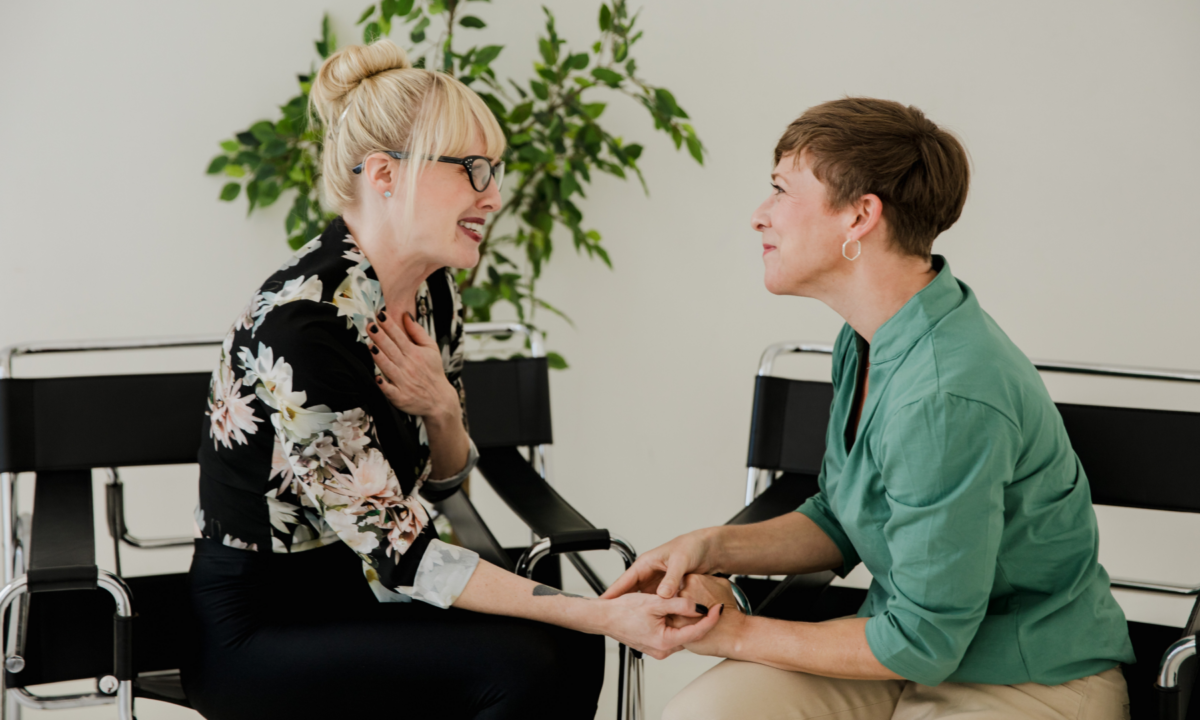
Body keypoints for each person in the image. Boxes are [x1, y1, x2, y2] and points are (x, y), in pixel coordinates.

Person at [183, 39, 720, 720]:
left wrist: (440, 410)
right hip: (258, 628)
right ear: (383, 174)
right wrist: (599, 612)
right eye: (472, 168)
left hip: (358, 595)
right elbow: (403, 551)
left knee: (571, 645)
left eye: (494, 169)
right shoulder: (303, 327)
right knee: (526, 663)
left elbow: (445, 483)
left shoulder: (431, 288)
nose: (494, 195)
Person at [602, 97, 1135, 719]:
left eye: (780, 190)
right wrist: (711, 546)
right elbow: (843, 517)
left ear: (859, 217)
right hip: (892, 652)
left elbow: (923, 640)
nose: (759, 216)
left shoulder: (945, 393)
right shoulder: (870, 337)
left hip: (1020, 677)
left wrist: (733, 632)